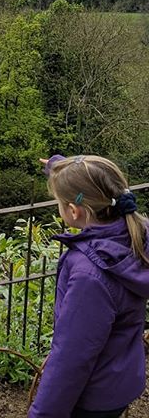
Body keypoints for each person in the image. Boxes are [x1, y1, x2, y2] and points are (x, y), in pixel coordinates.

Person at [29, 154, 149, 418]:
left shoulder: (89, 275)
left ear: (74, 211)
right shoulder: (137, 233)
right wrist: (58, 166)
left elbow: (71, 359)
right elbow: (99, 181)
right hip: (119, 381)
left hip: (91, 399)